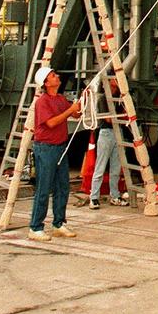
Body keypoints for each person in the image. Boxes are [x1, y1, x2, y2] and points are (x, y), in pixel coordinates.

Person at [28, 67, 81, 242]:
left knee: (62, 187)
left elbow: (75, 114)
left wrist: (80, 104)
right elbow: (51, 123)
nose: (56, 76)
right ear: (46, 83)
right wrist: (70, 110)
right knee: (44, 188)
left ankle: (58, 224)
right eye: (52, 75)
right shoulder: (42, 102)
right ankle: (35, 227)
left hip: (60, 147)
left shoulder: (60, 99)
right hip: (46, 148)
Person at [90, 79, 129, 210]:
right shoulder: (103, 99)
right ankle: (94, 197)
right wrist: (121, 117)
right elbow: (108, 119)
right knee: (100, 166)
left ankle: (115, 195)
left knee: (116, 168)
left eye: (115, 86)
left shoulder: (118, 100)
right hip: (106, 133)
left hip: (117, 132)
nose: (113, 88)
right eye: (111, 86)